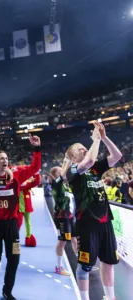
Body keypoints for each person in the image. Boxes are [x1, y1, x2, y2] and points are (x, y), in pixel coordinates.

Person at [0, 135, 41, 300]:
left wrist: (37, 148)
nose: (4, 161)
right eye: (1, 158)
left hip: (12, 225)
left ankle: (7, 291)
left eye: (6, 158)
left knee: (14, 259)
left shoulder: (16, 175)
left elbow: (35, 168)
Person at [66, 121, 122, 300]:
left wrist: (104, 138)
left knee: (108, 261)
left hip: (105, 221)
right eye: (79, 149)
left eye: (84, 147)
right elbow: (89, 159)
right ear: (72, 157)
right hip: (87, 223)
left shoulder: (96, 169)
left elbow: (117, 155)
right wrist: (95, 139)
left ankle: (110, 297)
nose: (84, 149)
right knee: (85, 265)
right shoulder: (73, 170)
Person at [49, 162, 77, 277]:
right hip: (62, 217)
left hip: (70, 216)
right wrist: (68, 159)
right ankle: (59, 267)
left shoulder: (65, 185)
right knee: (62, 241)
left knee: (75, 239)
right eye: (61, 171)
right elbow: (64, 174)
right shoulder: (56, 183)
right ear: (56, 174)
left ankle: (81, 263)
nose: (63, 173)